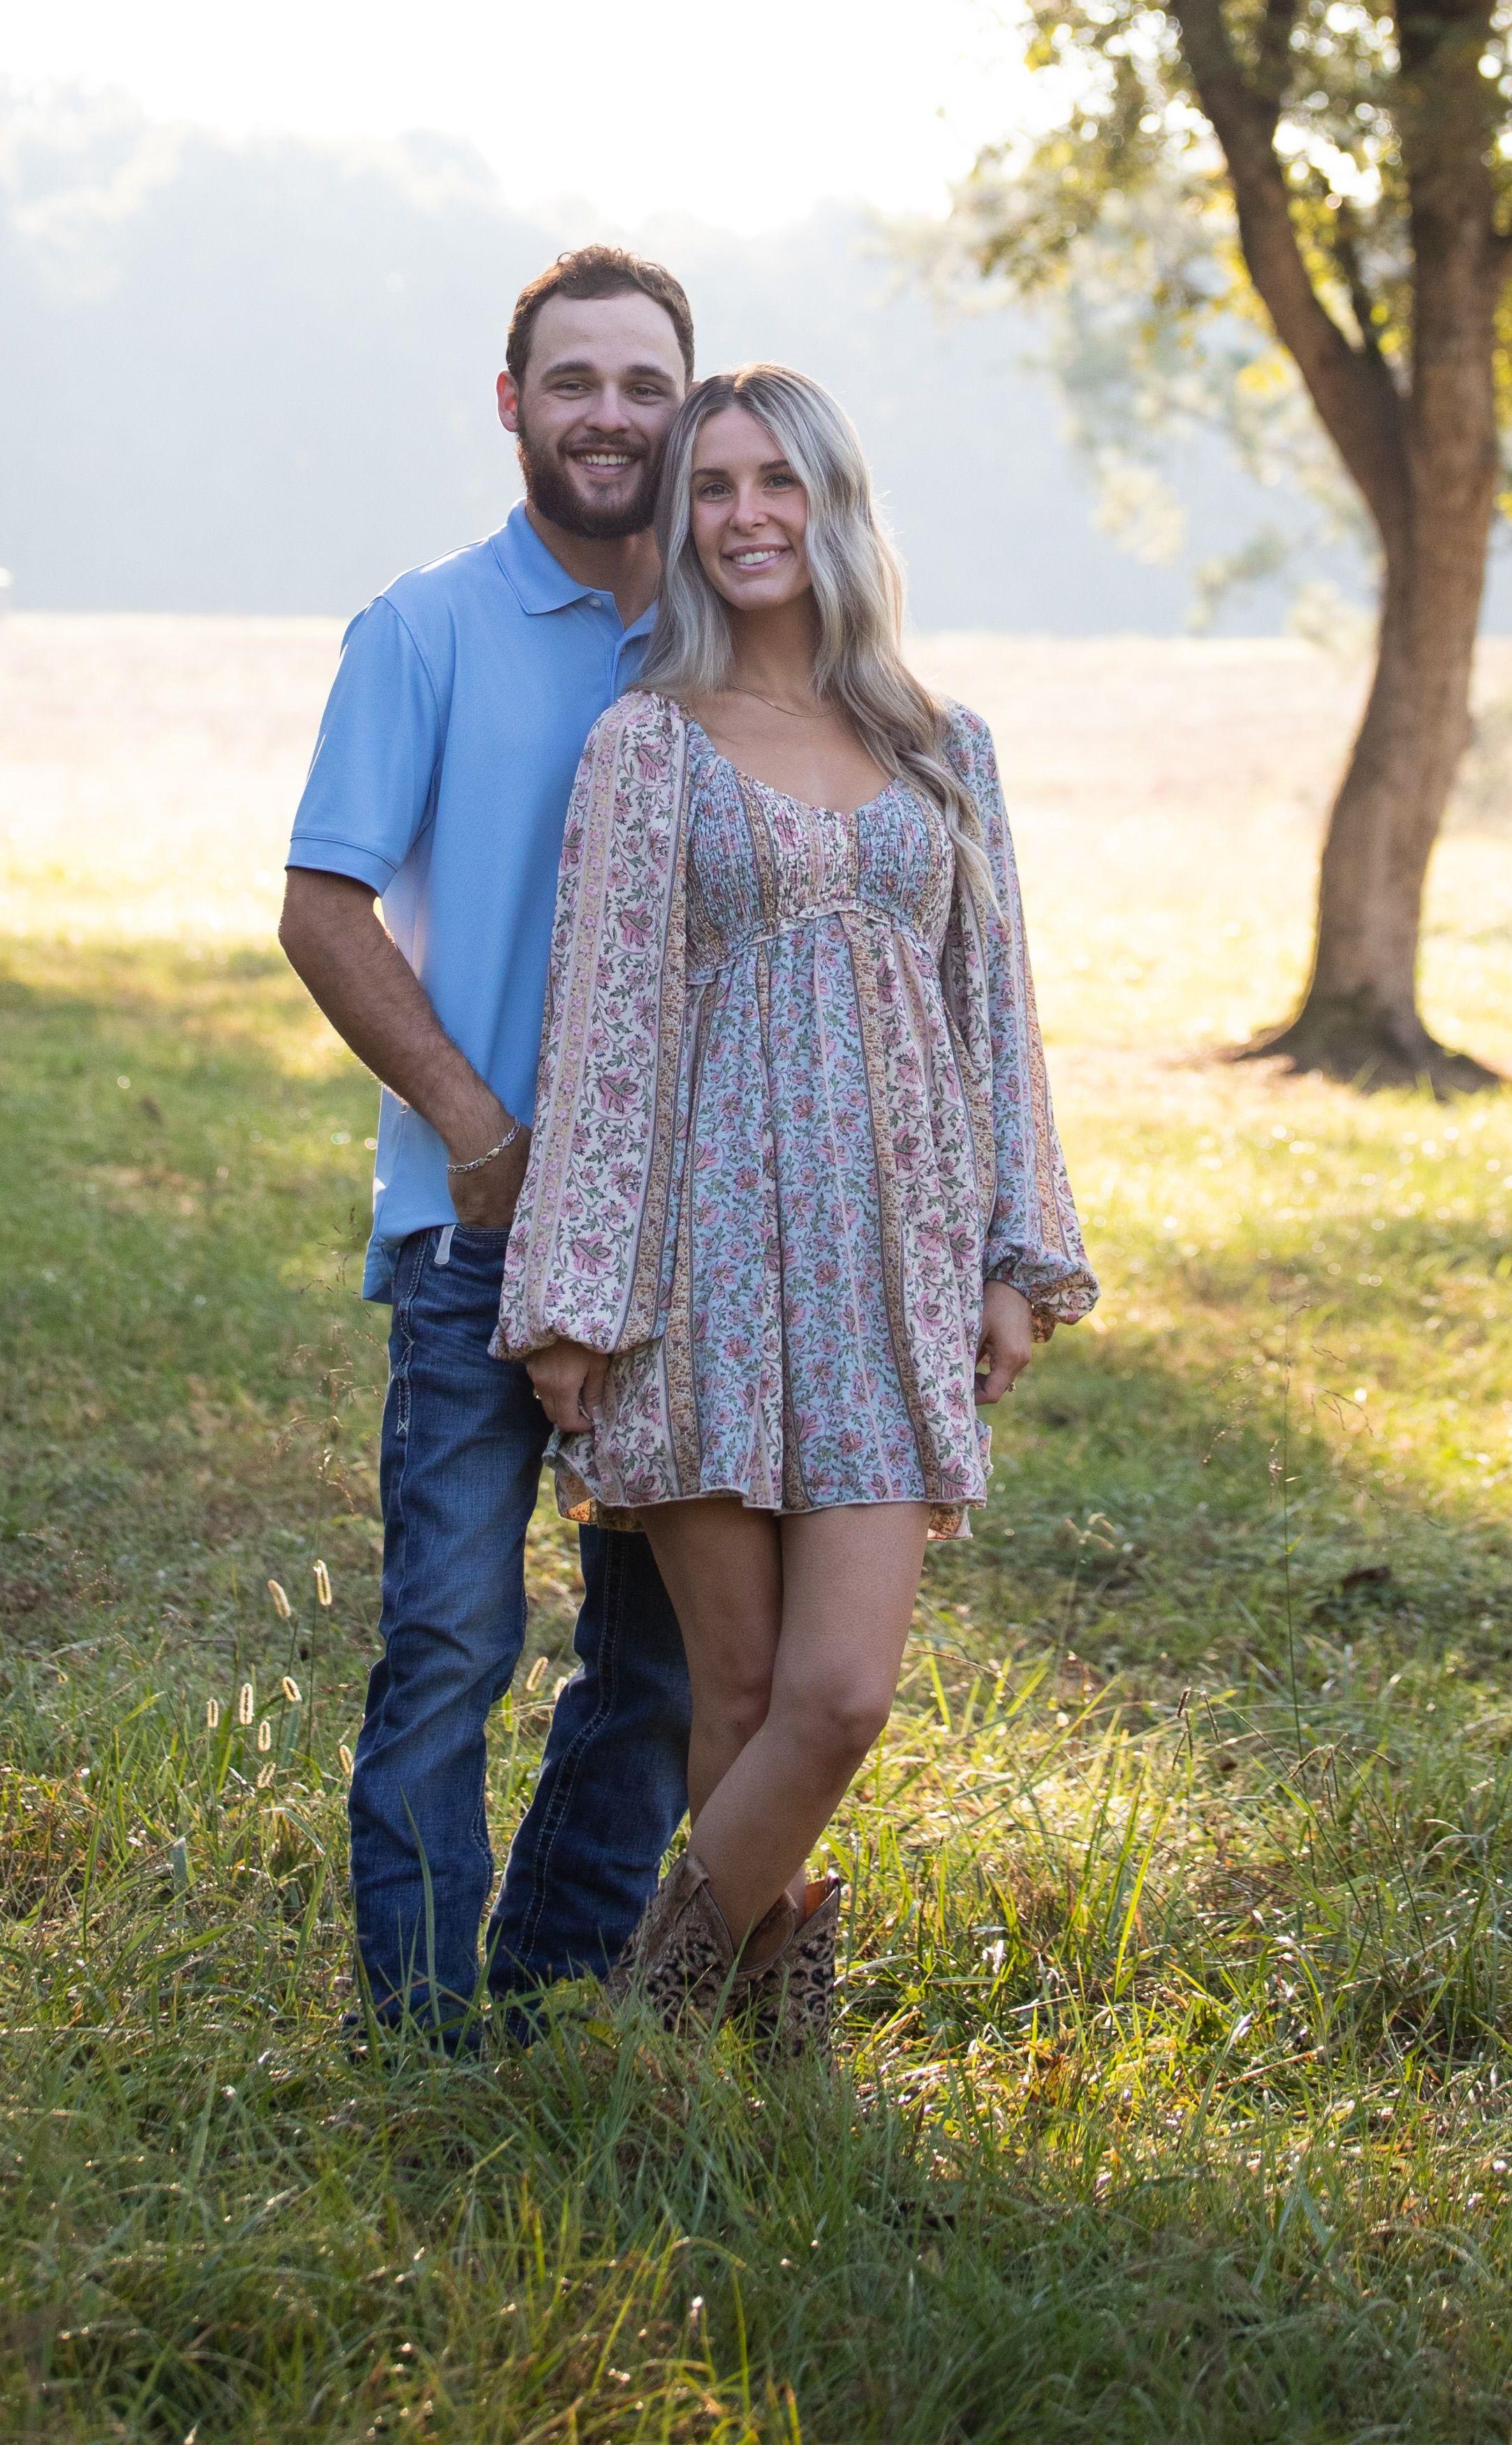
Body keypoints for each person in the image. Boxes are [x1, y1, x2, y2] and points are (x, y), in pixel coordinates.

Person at [497, 362, 1098, 2050]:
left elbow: (997, 1014)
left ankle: (642, 2021)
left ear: (835, 504)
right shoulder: (649, 746)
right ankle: (769, 2057)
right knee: (744, 1691)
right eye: (713, 486)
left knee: (841, 1698)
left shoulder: (944, 749)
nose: (747, 515)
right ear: (683, 521)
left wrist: (1017, 1256)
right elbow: (605, 1028)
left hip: (893, 1271)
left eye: (779, 482)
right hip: (699, 1268)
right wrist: (576, 1299)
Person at [279, 244, 703, 2041]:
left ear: (689, 412)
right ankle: (420, 2033)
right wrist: (478, 1131)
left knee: (660, 1662)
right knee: (452, 1640)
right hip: (478, 1237)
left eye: (647, 385)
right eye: (576, 381)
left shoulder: (733, 635)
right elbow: (322, 907)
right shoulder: (426, 627)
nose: (612, 415)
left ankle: (550, 1994)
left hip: (683, 1248)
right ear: (514, 403)